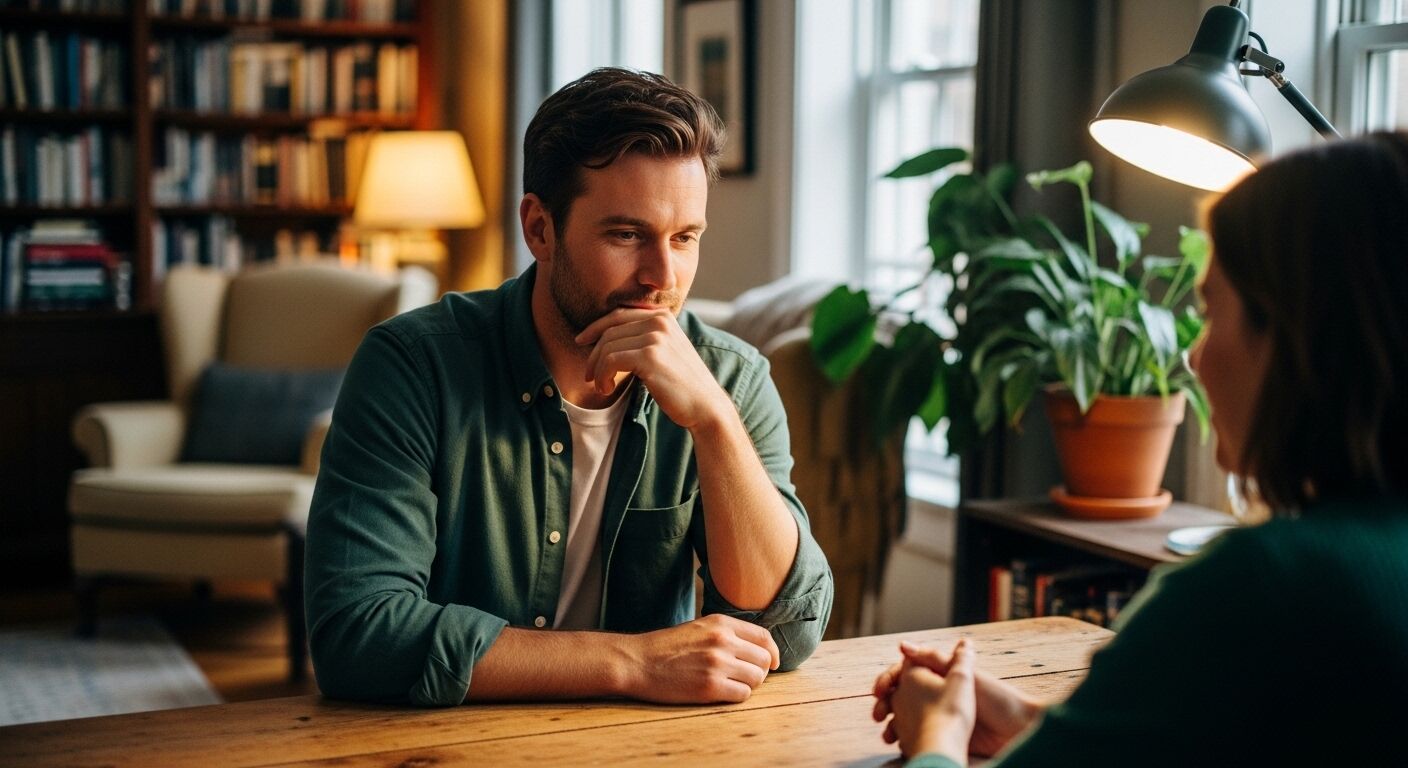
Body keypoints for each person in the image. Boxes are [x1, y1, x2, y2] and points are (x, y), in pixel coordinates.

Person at [872, 131, 1408, 766]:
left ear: (1296, 341)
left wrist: (939, 733)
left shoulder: (1257, 588)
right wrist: (1030, 723)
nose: (1192, 356)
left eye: (1211, 313)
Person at [304, 67, 833, 707]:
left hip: (648, 748)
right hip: (447, 741)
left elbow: (783, 631)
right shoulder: (412, 367)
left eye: (685, 238)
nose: (661, 276)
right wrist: (631, 662)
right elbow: (357, 633)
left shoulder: (731, 379)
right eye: (627, 234)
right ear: (539, 229)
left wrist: (714, 423)